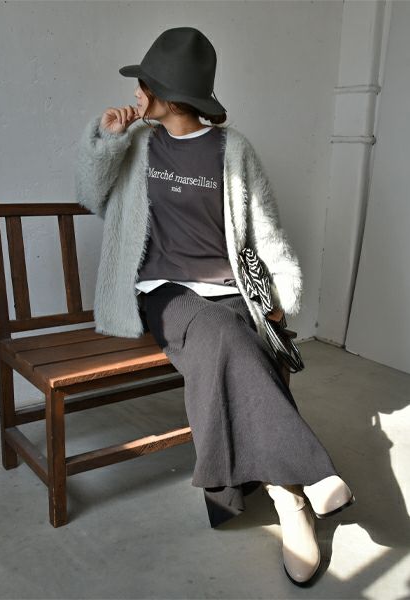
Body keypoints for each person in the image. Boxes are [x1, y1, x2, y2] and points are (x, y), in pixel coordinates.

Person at [74, 26, 355, 587]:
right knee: (225, 339)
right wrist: (107, 140)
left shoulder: (234, 150)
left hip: (230, 291)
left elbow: (265, 228)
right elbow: (90, 196)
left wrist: (278, 297)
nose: (136, 92)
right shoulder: (137, 144)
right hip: (163, 292)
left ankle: (284, 494)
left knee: (238, 344)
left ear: (168, 93)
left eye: (144, 83)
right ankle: (299, 486)